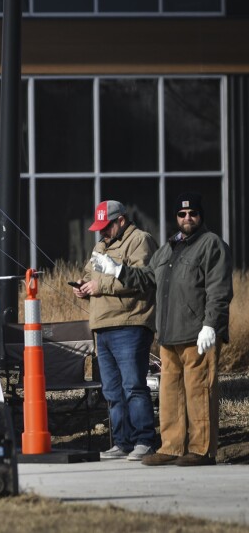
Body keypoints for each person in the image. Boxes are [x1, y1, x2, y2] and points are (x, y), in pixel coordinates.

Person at [92, 192, 233, 467]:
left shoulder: (211, 244)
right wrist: (118, 270)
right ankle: (172, 446)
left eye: (192, 213)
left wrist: (210, 325)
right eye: (182, 214)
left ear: (200, 215)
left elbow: (219, 291)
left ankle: (202, 450)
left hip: (197, 334)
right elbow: (147, 278)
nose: (187, 218)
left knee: (198, 392)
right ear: (176, 218)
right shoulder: (168, 248)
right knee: (170, 396)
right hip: (169, 334)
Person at [74, 200, 157, 461]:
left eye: (106, 226)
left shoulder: (140, 240)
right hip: (102, 325)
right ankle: (122, 442)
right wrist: (82, 286)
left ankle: (144, 440)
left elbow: (144, 279)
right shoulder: (101, 246)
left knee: (133, 385)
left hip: (129, 324)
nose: (102, 232)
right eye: (99, 227)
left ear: (121, 220)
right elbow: (90, 274)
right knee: (112, 390)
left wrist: (101, 287)